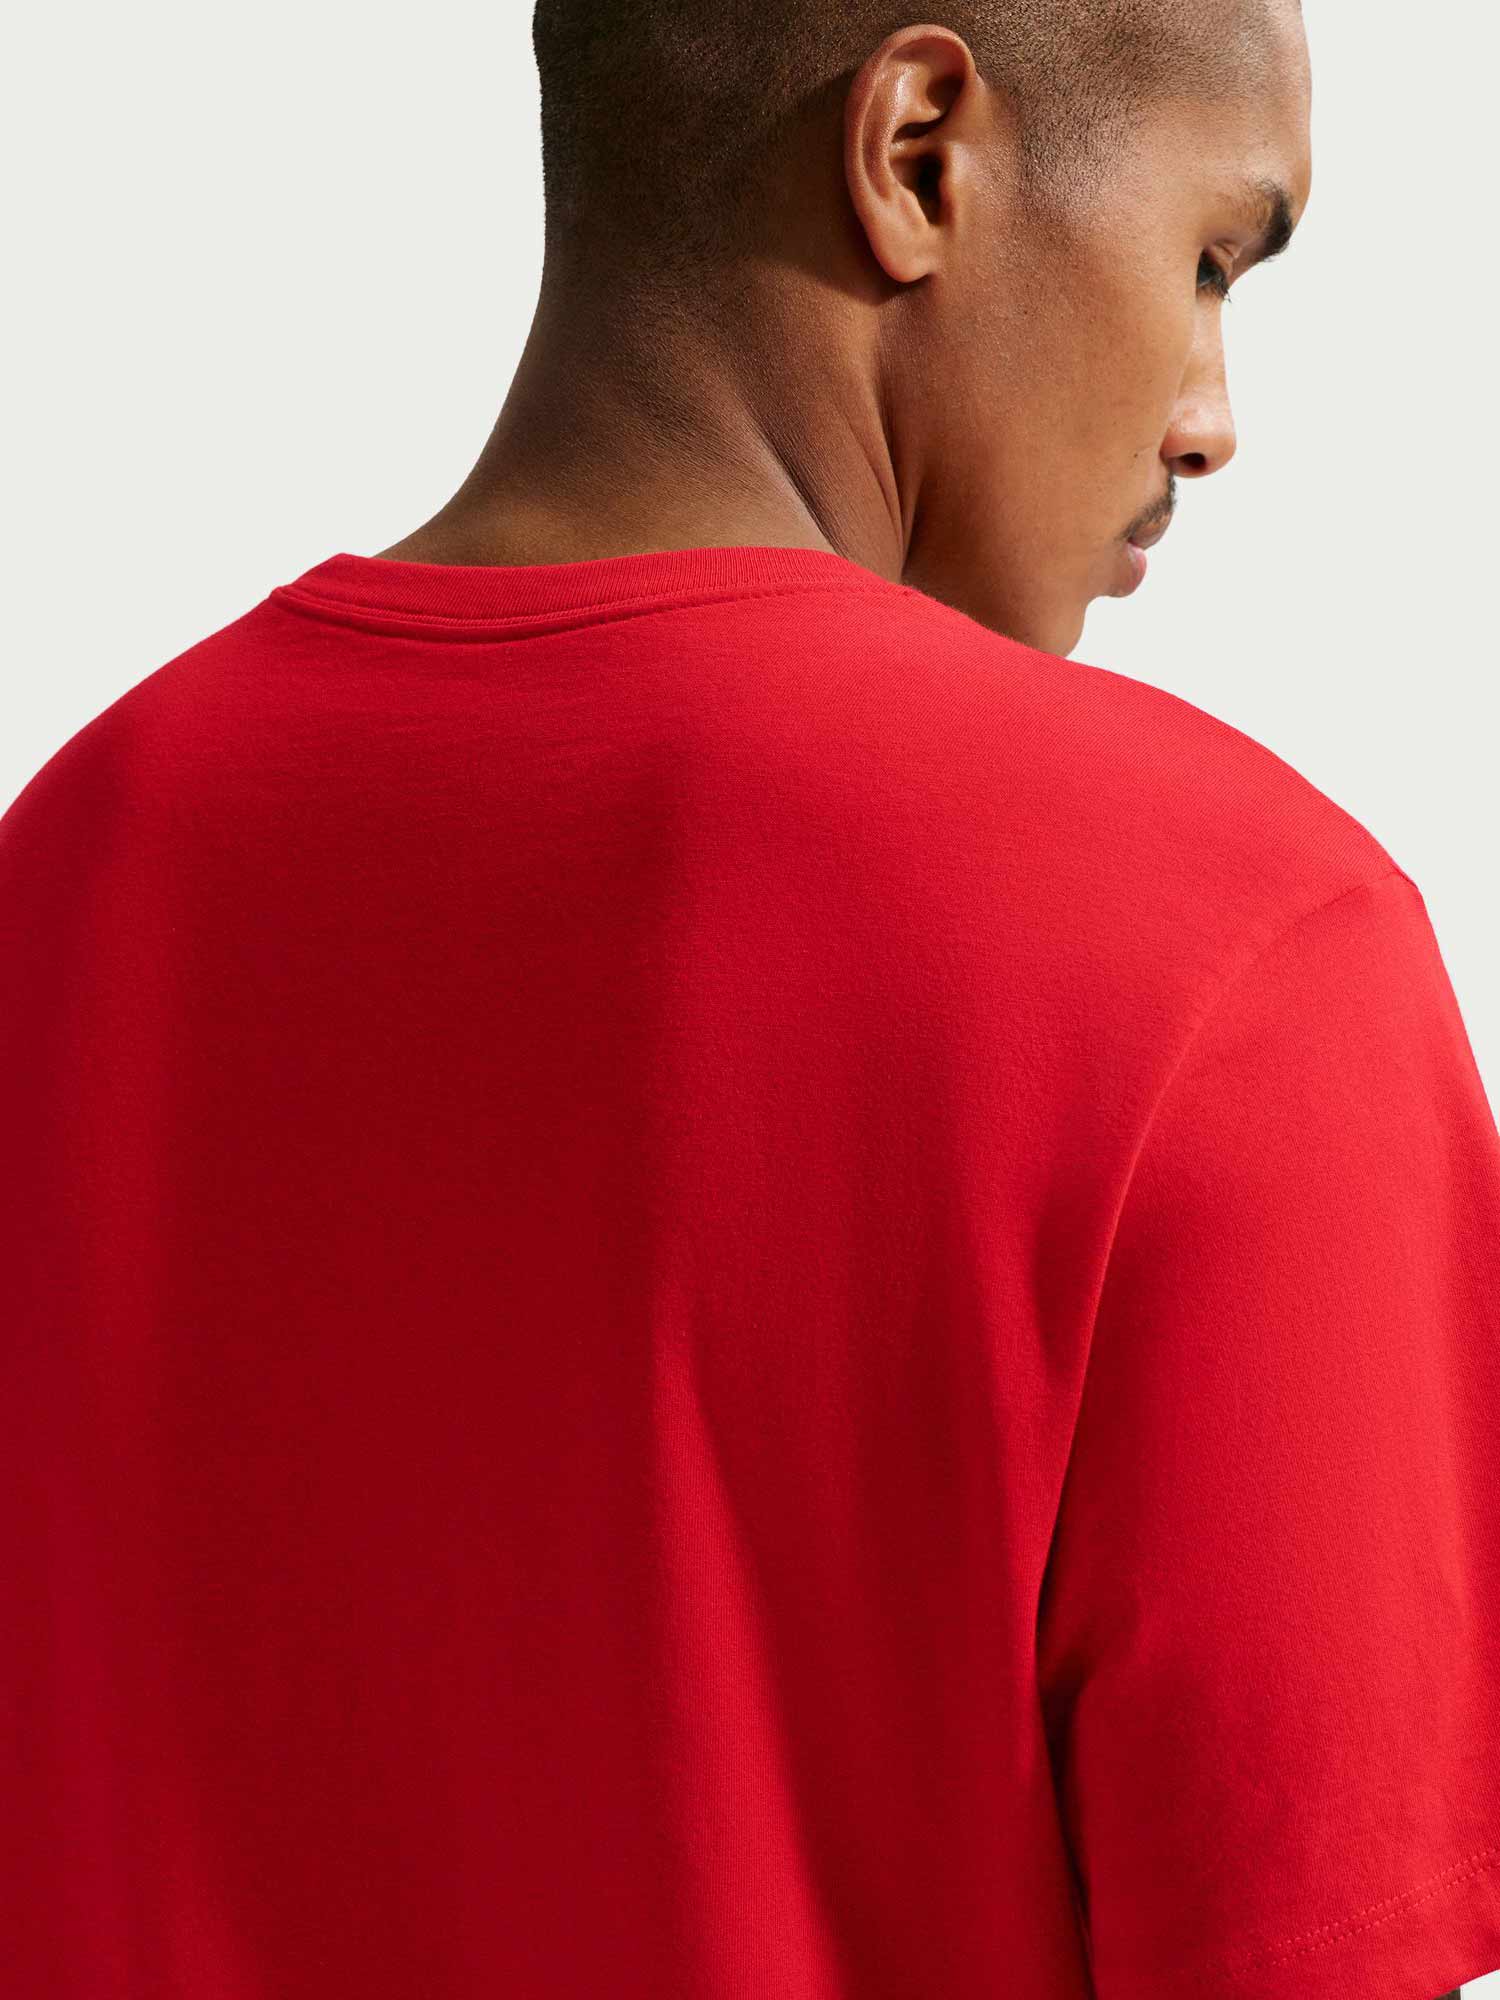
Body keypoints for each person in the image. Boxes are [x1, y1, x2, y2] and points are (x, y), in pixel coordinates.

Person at [2, 2, 1497, 1997]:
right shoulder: (1247, 958)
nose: (1211, 417)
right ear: (918, 151)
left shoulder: (68, 874)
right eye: (1213, 258)